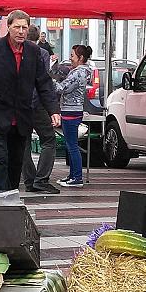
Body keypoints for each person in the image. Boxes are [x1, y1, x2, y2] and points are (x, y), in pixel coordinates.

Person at [0, 10, 60, 192]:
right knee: (1, 160)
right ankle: (4, 202)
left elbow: (43, 83)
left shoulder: (34, 51)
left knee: (16, 163)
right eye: (16, 27)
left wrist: (53, 110)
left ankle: (10, 197)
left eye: (24, 28)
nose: (20, 31)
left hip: (22, 118)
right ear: (8, 27)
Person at [21, 26, 59, 194]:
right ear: (37, 38)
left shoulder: (16, 52)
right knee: (49, 140)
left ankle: (29, 180)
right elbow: (44, 81)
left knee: (24, 143)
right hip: (36, 104)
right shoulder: (41, 53)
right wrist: (52, 109)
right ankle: (41, 180)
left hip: (20, 105)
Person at [58, 45, 94, 188]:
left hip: (71, 111)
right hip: (72, 110)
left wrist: (50, 82)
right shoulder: (82, 72)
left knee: (72, 146)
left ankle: (77, 177)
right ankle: (72, 175)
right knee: (70, 145)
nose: (70, 58)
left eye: (72, 55)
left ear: (80, 58)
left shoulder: (78, 73)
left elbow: (63, 88)